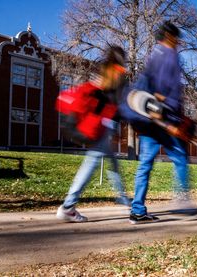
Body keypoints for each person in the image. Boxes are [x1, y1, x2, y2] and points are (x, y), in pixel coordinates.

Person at [125, 21, 191, 224]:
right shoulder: (170, 57)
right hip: (164, 120)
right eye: (176, 38)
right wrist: (173, 122)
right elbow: (168, 93)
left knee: (145, 164)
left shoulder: (152, 56)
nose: (178, 42)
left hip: (147, 119)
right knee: (180, 158)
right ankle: (182, 199)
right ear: (170, 37)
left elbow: (145, 92)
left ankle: (137, 210)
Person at [56, 46, 130, 223]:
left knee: (111, 159)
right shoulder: (115, 73)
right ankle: (68, 206)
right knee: (92, 162)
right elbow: (111, 100)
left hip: (102, 124)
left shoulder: (106, 70)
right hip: (98, 125)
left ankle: (122, 197)